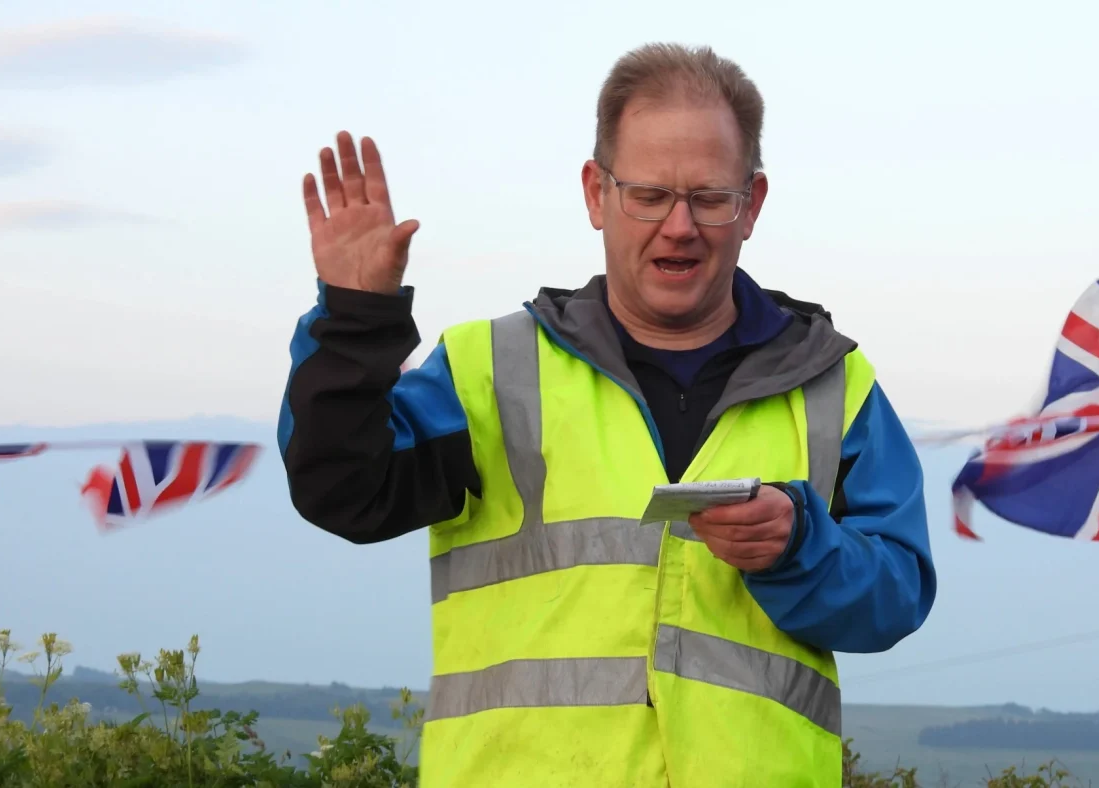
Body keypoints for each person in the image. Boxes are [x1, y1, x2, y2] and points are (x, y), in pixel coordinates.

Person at [278, 42, 936, 788]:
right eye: (649, 195)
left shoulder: (834, 383)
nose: (679, 225)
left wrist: (799, 546)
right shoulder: (487, 370)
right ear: (596, 194)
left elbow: (897, 594)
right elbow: (342, 490)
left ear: (751, 204)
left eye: (709, 198)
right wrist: (356, 319)